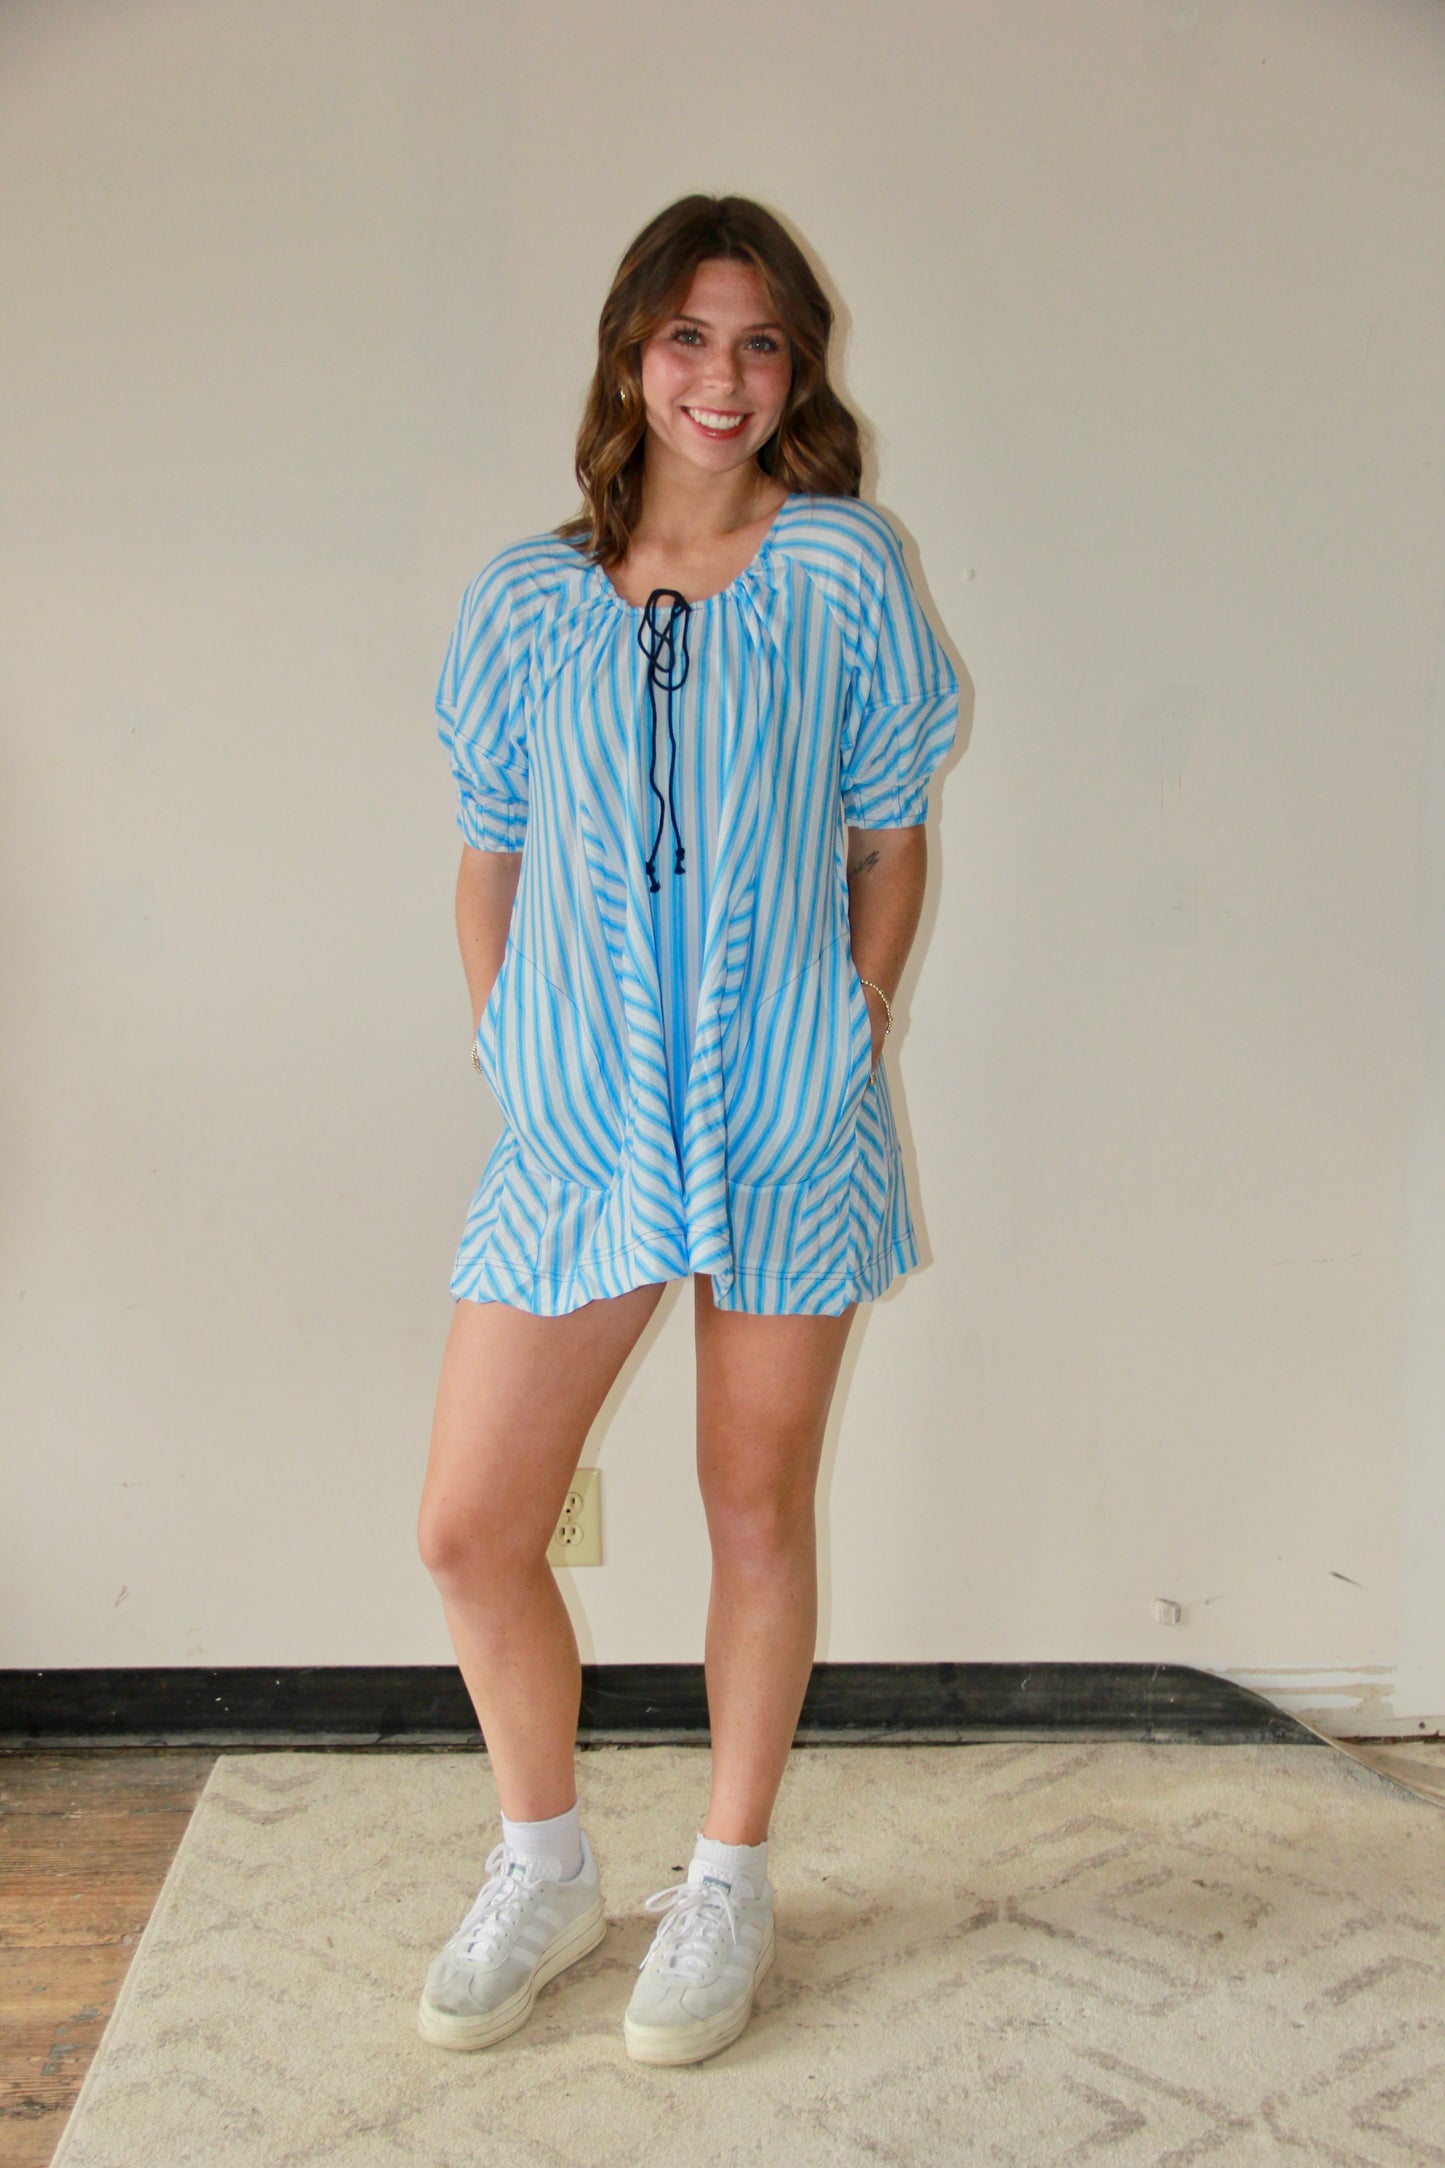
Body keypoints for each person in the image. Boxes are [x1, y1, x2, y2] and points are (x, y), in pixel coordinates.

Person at [415, 193, 959, 2066]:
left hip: (785, 1115)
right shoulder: (525, 600)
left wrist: (847, 1028)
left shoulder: (840, 570)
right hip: (579, 1122)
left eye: (760, 343)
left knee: (751, 1505)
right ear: (630, 355)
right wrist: (514, 1047)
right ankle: (545, 1862)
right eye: (687, 338)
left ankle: (725, 1876)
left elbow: (887, 836)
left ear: (796, 368)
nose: (723, 378)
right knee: (470, 1527)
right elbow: (488, 852)